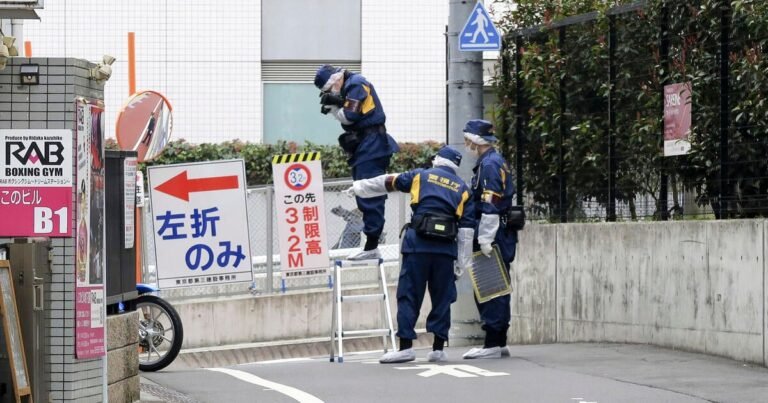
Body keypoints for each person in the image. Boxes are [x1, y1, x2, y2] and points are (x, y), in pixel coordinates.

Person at [345, 146, 475, 363]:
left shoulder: (421, 176)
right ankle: (438, 349)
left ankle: (405, 347)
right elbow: (466, 231)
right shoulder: (463, 189)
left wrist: (359, 188)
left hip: (418, 246)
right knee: (442, 298)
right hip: (445, 251)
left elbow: (388, 182)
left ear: (437, 161)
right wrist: (462, 263)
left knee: (409, 295)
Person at [314, 64, 399, 260]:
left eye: (328, 90)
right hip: (366, 145)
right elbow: (347, 118)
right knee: (364, 192)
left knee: (370, 192)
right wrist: (337, 104)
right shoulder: (349, 86)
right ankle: (371, 244)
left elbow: (349, 117)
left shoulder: (356, 84)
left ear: (335, 80)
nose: (330, 93)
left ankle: (371, 245)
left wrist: (336, 105)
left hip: (372, 145)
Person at [461, 119, 519, 359]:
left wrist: (485, 238)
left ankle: (492, 343)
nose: (466, 144)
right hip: (500, 232)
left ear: (475, 140)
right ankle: (498, 341)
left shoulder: (490, 165)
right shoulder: (493, 161)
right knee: (496, 286)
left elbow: (490, 204)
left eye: (467, 139)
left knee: (490, 287)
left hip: (493, 233)